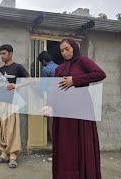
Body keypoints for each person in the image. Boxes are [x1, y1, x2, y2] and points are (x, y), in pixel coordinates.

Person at [52, 38, 106, 179]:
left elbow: (100, 74)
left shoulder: (82, 61)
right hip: (63, 110)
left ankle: (84, 174)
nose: (64, 52)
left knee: (81, 142)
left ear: (74, 48)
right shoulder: (59, 68)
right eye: (62, 50)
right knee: (65, 143)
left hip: (81, 107)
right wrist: (49, 105)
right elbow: (53, 88)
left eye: (67, 49)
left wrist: (74, 80)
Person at [0, 44, 29, 168]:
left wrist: (16, 86)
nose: (2, 56)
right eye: (0, 54)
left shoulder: (18, 67)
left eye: (4, 53)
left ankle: (13, 156)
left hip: (12, 102)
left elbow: (31, 80)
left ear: (10, 53)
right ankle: (3, 155)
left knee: (11, 130)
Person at [37, 51, 58, 162]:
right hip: (62, 100)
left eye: (41, 62)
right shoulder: (59, 67)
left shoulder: (46, 69)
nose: (41, 64)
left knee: (52, 124)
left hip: (51, 99)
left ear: (44, 61)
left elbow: (42, 87)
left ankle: (55, 152)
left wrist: (36, 90)